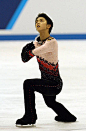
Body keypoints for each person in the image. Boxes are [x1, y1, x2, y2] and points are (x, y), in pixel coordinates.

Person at [16, 13, 77, 126]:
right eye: (36, 21)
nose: (38, 22)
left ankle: (30, 116)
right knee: (50, 102)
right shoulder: (37, 42)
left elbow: (29, 54)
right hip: (47, 82)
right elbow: (25, 59)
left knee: (28, 84)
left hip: (54, 84)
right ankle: (67, 116)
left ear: (48, 25)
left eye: (41, 20)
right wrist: (28, 50)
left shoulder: (51, 43)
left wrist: (27, 50)